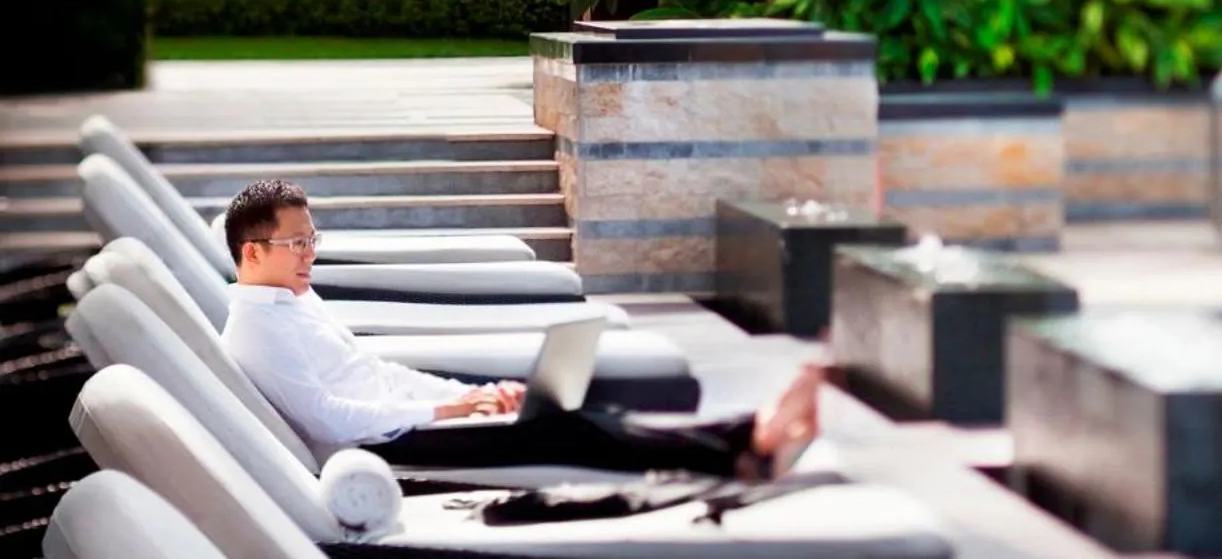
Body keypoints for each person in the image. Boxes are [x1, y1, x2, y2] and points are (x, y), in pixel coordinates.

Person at [218, 179, 820, 477]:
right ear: (252, 252)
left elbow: (372, 371)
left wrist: (467, 394)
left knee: (561, 409)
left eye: (313, 239)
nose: (310, 254)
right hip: (385, 446)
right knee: (563, 430)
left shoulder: (293, 298)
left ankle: (742, 436)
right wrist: (445, 413)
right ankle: (744, 447)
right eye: (296, 243)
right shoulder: (257, 329)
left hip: (408, 420)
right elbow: (327, 418)